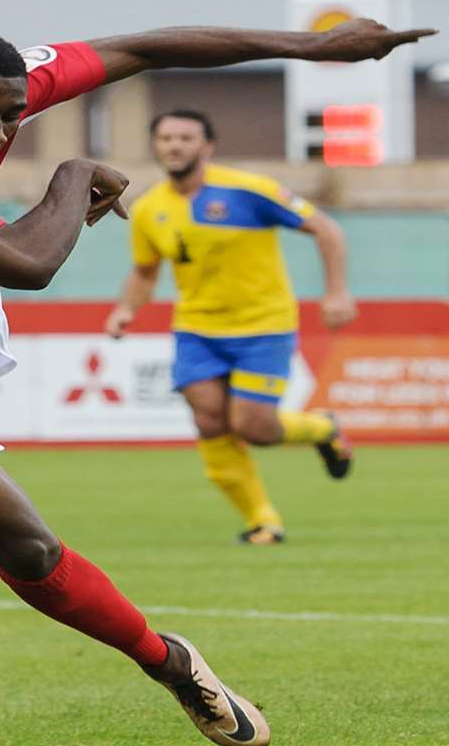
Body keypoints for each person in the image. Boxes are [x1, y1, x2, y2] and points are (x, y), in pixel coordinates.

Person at [0, 18, 430, 746]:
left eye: (10, 115)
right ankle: (170, 661)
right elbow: (28, 262)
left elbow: (142, 50)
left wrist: (311, 48)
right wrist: (74, 177)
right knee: (30, 551)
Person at [105, 109, 356, 545]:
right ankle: (262, 519)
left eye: (185, 138)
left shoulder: (248, 191)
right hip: (197, 329)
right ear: (156, 147)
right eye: (166, 138)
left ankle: (322, 428)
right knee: (209, 422)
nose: (175, 146)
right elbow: (146, 272)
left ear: (207, 147)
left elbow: (325, 228)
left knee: (255, 428)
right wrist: (127, 308)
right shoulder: (149, 209)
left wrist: (336, 292)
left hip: (263, 325)